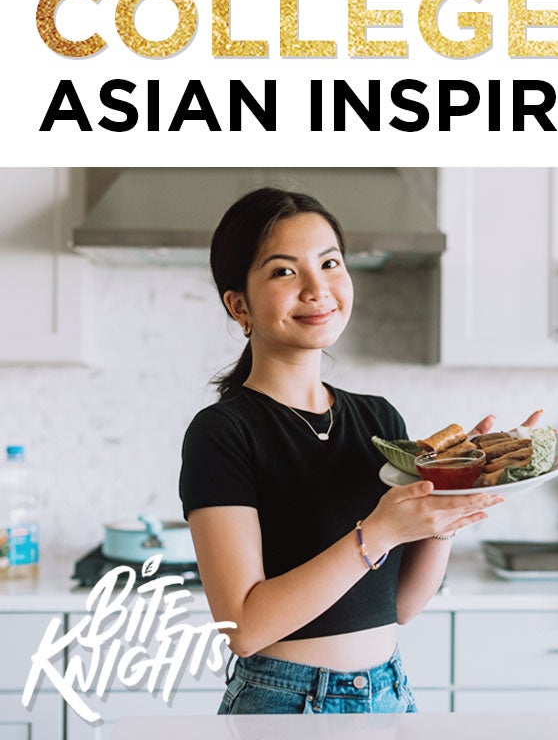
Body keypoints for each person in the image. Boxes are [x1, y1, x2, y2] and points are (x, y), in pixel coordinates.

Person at [179, 187, 525, 714]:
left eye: (330, 263)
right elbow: (244, 628)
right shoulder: (223, 432)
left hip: (388, 694)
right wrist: (377, 533)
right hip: (284, 706)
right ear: (239, 305)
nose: (318, 288)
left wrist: (456, 497)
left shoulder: (379, 420)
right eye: (283, 271)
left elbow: (402, 605)